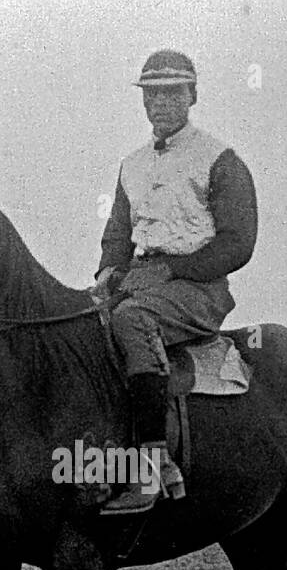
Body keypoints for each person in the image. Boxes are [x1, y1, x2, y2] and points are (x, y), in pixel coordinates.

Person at [92, 49, 258, 514]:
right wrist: (107, 271)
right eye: (151, 94)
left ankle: (152, 468)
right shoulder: (132, 164)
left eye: (171, 93)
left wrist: (173, 270)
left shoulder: (220, 160)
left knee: (132, 321)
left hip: (199, 288)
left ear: (192, 95)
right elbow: (117, 236)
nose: (160, 103)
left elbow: (238, 242)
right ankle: (101, 462)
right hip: (142, 279)